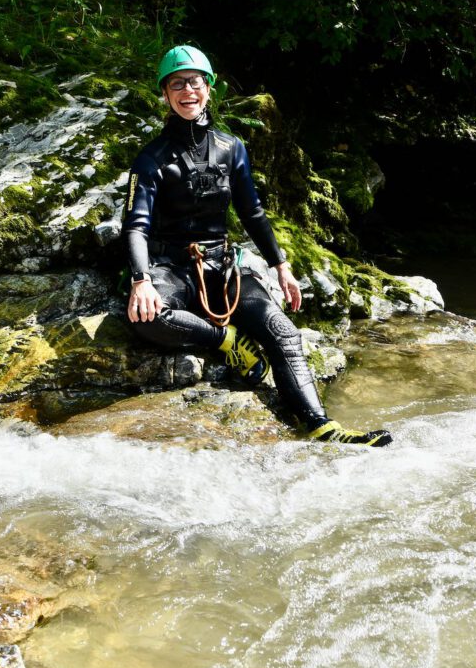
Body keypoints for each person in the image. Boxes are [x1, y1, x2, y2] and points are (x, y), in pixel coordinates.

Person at [121, 45, 392, 446]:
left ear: (208, 88)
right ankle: (228, 340)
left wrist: (281, 265)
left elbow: (252, 212)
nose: (187, 91)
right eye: (176, 84)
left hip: (221, 266)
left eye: (194, 82)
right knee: (148, 317)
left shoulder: (232, 148)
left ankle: (322, 426)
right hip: (170, 268)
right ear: (165, 94)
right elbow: (135, 225)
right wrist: (141, 280)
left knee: (283, 332)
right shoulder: (151, 159)